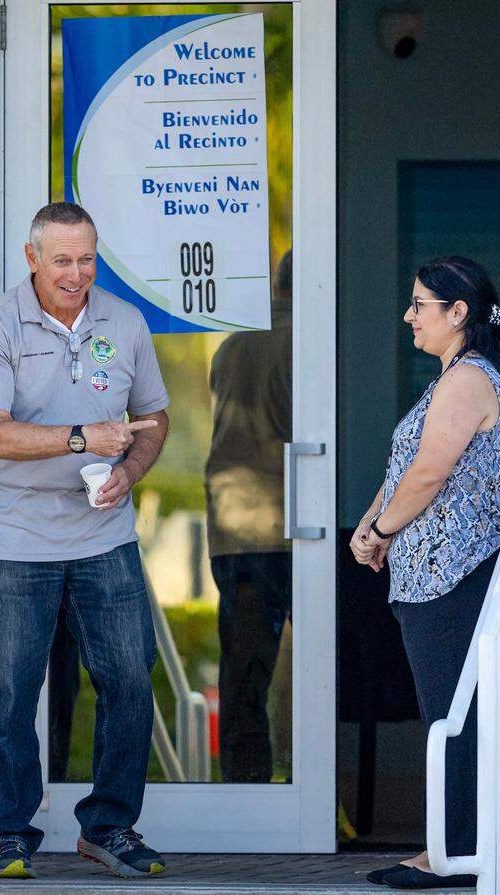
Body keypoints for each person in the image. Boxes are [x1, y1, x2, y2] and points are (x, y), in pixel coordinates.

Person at [0, 202, 170, 880]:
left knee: (130, 679)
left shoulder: (126, 320)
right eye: (61, 261)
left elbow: (154, 417)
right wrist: (83, 438)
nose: (76, 273)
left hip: (104, 532)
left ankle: (109, 824)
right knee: (13, 691)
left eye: (86, 259)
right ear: (31, 259)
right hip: (14, 535)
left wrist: (129, 472)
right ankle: (11, 830)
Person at [350, 256, 500, 890]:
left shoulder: (469, 379)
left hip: (456, 576)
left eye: (421, 305)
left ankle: (452, 854)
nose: (408, 315)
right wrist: (371, 525)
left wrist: (382, 531)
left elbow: (430, 472)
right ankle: (447, 847)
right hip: (427, 579)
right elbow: (405, 467)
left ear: (458, 314)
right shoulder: (449, 377)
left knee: (454, 715)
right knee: (444, 713)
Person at [205, 251, 292, 783]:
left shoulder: (232, 345)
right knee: (325, 666)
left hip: (235, 526)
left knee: (245, 668)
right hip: (295, 522)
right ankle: (321, 791)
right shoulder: (312, 344)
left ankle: (246, 791)